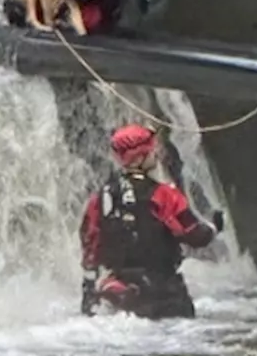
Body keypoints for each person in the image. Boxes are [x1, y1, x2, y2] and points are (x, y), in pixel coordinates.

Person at [79, 124, 223, 320]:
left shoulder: (100, 199)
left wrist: (89, 290)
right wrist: (214, 227)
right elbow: (194, 235)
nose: (155, 154)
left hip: (122, 292)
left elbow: (90, 244)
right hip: (164, 294)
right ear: (139, 157)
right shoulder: (166, 196)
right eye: (151, 150)